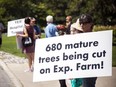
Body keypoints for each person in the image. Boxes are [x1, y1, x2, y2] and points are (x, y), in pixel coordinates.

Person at [79, 14, 97, 87]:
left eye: (84, 23)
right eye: (81, 23)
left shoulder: (96, 38)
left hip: (91, 69)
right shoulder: (79, 38)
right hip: (82, 68)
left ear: (90, 24)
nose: (82, 25)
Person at [70, 19, 83, 87]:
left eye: (73, 31)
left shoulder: (82, 42)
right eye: (71, 31)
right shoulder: (71, 42)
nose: (71, 33)